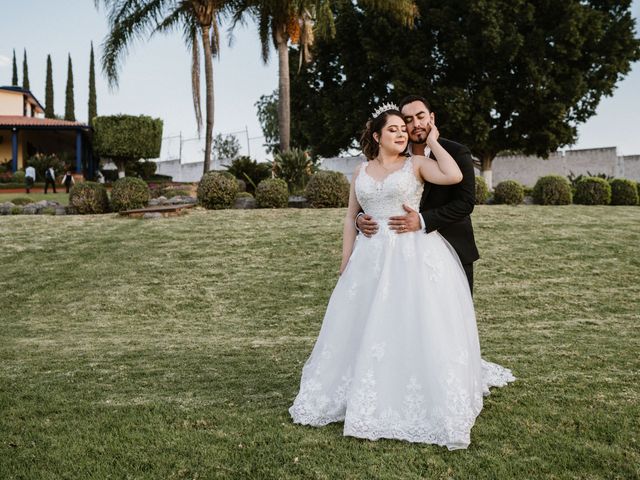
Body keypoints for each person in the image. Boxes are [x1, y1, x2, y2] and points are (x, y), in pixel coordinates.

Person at [289, 104, 514, 450]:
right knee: (367, 323)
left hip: (413, 252)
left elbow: (455, 178)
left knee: (416, 321)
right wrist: (346, 258)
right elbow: (352, 216)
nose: (403, 131)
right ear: (377, 136)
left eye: (404, 127)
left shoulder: (420, 162)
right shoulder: (360, 171)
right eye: (393, 127)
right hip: (369, 258)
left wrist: (435, 142)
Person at [357, 95, 478, 293]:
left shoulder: (457, 152)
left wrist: (422, 220)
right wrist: (360, 218)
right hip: (403, 255)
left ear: (432, 118)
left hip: (453, 247)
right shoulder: (396, 154)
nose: (416, 124)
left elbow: (466, 203)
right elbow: (375, 191)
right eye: (408, 120)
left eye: (421, 117)